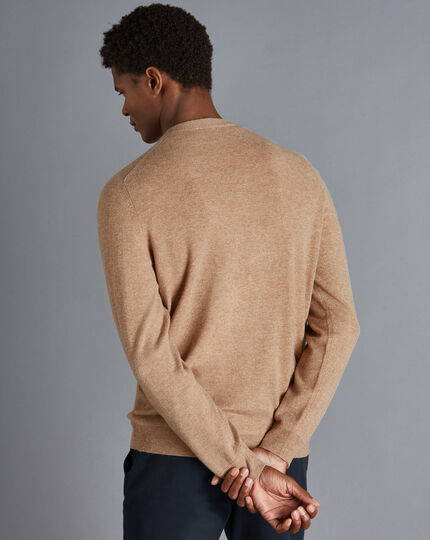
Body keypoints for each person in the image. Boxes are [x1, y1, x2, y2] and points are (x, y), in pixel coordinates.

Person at [97, 4, 360, 539]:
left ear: (154, 80)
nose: (123, 108)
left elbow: (151, 354)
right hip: (278, 465)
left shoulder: (128, 193)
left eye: (124, 90)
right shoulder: (299, 176)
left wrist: (239, 465)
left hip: (174, 460)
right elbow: (338, 327)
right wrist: (273, 454)